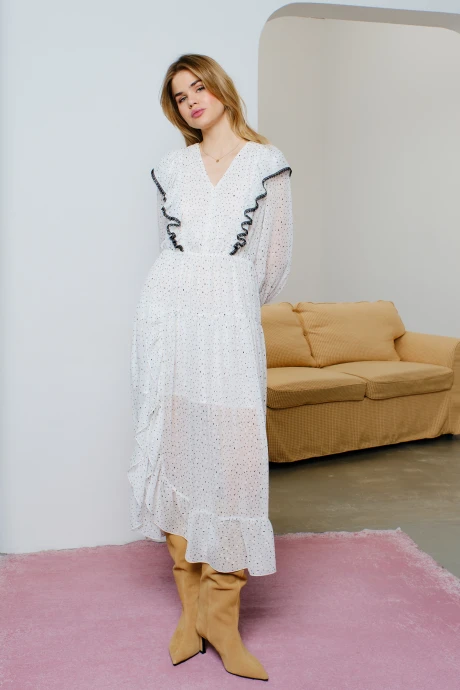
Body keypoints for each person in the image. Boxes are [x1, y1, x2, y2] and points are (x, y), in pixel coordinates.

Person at [128, 53, 294, 681]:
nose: (192, 100)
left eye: (199, 87)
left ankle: (222, 618)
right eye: (180, 95)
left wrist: (226, 302)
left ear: (221, 89)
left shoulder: (266, 163)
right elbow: (169, 252)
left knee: (235, 464)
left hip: (228, 330)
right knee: (178, 453)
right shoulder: (171, 168)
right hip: (169, 327)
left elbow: (272, 263)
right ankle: (191, 610)